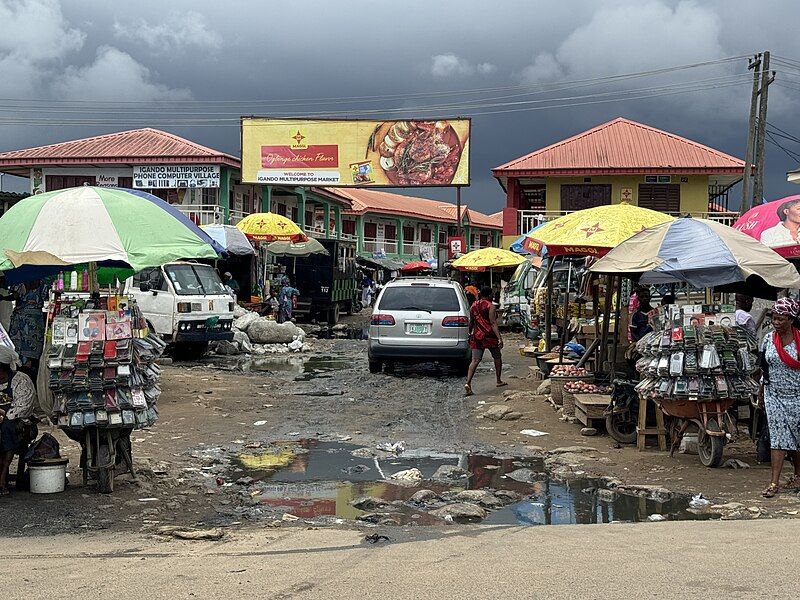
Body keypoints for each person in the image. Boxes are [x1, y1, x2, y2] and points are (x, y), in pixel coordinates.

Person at [760, 298, 800, 498]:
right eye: (774, 318)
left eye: (781, 319)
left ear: (791, 319)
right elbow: (763, 366)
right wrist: (761, 391)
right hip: (773, 394)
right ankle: (774, 482)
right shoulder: (768, 339)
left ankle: (798, 475)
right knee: (778, 437)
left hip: (797, 394)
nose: (776, 322)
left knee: (796, 436)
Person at [0, 358, 37, 495]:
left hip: (17, 419)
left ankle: (2, 478)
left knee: (7, 430)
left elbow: (24, 405)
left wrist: (4, 415)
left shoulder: (21, 380)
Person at [464, 287, 505, 396]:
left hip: (477, 336)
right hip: (489, 336)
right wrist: (499, 338)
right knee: (497, 357)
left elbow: (471, 321)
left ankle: (468, 383)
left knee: (475, 360)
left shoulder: (474, 305)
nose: (492, 296)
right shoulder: (490, 306)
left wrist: (469, 333)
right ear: (489, 295)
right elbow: (493, 323)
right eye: (491, 294)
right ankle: (498, 380)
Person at [8, 279, 48, 379]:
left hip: (22, 320)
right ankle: (32, 372)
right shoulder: (42, 283)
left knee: (20, 349)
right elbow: (46, 297)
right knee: (34, 348)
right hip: (36, 320)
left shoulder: (19, 283)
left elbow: (14, 296)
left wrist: (4, 297)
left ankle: (23, 370)